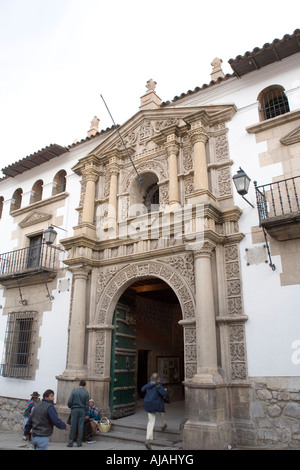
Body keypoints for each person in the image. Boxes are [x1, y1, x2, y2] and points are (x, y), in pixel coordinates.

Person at [141, 372, 169, 450]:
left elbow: (142, 389)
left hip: (148, 404)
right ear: (158, 378)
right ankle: (163, 424)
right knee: (161, 414)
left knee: (151, 421)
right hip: (157, 404)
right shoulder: (158, 385)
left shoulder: (149, 385)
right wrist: (165, 391)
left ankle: (148, 439)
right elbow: (164, 394)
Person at [67, 380, 90, 447]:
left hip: (75, 409)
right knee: (80, 426)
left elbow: (69, 401)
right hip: (82, 410)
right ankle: (79, 442)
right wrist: (86, 412)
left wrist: (70, 406)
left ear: (79, 384)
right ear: (85, 386)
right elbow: (87, 404)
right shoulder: (86, 393)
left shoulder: (74, 391)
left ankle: (70, 442)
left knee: (73, 426)